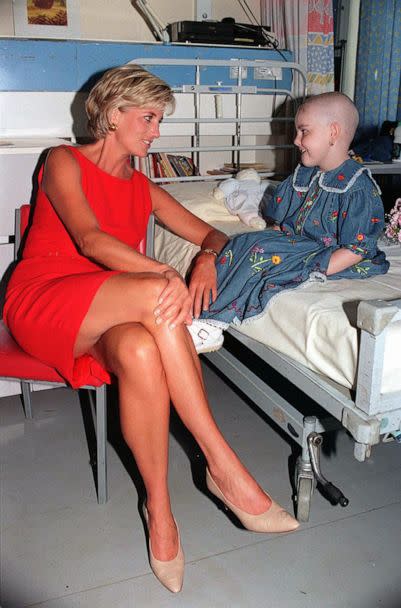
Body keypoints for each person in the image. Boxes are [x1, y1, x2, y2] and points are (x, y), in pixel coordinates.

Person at [3, 64, 299, 594]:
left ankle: (159, 512)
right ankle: (222, 465)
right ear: (113, 115)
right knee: (156, 292)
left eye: (159, 120)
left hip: (114, 313)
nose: (156, 131)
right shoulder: (61, 161)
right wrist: (167, 272)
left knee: (141, 349)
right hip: (45, 301)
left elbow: (214, 235)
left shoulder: (143, 186)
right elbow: (90, 241)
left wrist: (207, 260)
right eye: (149, 118)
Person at [188, 92, 389, 353]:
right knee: (245, 242)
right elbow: (286, 221)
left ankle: (213, 322)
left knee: (260, 253)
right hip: (302, 244)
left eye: (304, 131)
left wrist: (317, 269)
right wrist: (273, 235)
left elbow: (357, 249)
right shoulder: (304, 174)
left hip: (336, 256)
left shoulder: (357, 186)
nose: (296, 140)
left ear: (333, 132)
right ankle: (197, 308)